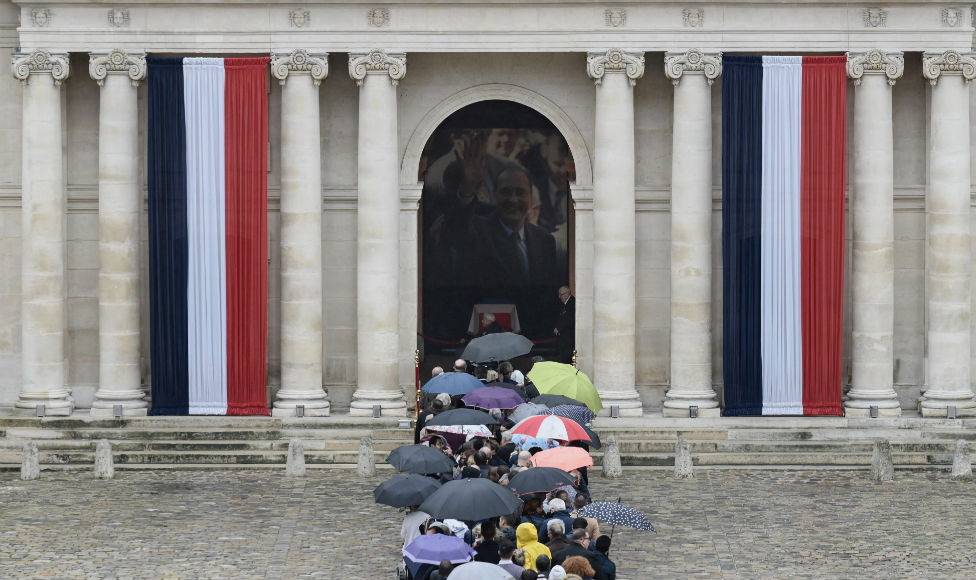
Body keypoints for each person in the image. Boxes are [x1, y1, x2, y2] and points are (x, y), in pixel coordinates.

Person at [553, 286, 575, 363]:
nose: (559, 297)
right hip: (565, 338)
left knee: (567, 359)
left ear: (567, 294)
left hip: (569, 338)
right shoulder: (566, 304)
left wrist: (559, 328)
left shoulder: (572, 303)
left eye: (561, 294)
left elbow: (569, 318)